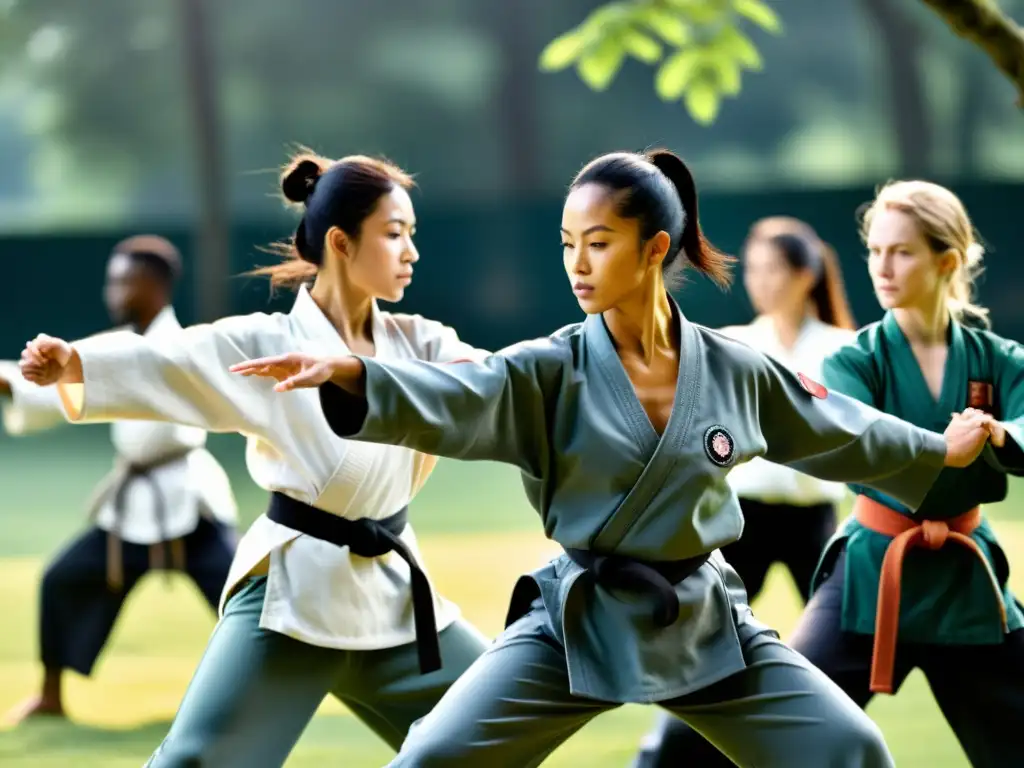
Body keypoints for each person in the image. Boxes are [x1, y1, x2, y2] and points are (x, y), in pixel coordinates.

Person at [225, 150, 995, 768]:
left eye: (598, 243)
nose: (577, 264)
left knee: (847, 748)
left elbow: (844, 431)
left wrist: (937, 448)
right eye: (567, 245)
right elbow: (462, 395)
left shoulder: (734, 369)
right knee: (435, 752)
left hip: (704, 621)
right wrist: (359, 375)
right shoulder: (547, 367)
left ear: (654, 248)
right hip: (579, 620)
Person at [17, 151, 491, 767]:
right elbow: (175, 360)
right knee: (194, 761)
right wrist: (75, 364)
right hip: (293, 597)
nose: (411, 252)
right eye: (395, 235)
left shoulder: (420, 341)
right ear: (342, 243)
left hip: (393, 595)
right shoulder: (268, 344)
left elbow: (489, 382)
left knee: (494, 731)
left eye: (412, 236)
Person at [629, 217, 858, 767]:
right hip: (744, 521)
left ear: (806, 276)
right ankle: (662, 754)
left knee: (842, 654)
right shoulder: (736, 344)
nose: (760, 280)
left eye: (773, 269)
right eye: (753, 269)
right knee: (705, 648)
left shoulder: (844, 348)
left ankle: (831, 749)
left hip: (815, 523)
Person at [0, 236, 238, 723]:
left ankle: (279, 688)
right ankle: (50, 695)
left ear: (155, 286)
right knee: (63, 578)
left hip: (188, 500)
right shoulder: (122, 347)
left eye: (124, 281)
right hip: (132, 507)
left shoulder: (176, 347)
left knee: (247, 598)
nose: (114, 292)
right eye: (112, 281)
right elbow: (61, 380)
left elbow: (86, 372)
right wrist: (10, 380)